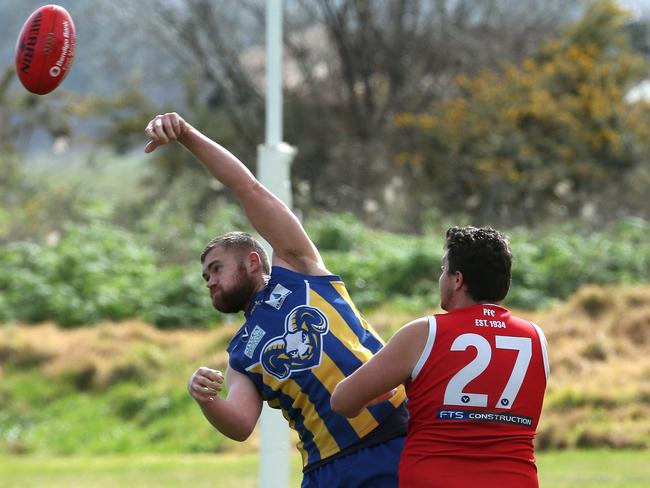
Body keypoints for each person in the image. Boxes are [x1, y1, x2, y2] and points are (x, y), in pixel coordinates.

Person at [144, 112, 408, 488]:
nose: (210, 282)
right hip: (326, 467)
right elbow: (239, 424)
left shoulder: (300, 269)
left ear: (253, 261)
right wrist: (206, 399)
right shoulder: (240, 354)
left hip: (391, 437)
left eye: (216, 269)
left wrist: (187, 135)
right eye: (205, 276)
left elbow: (247, 187)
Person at [331, 226, 549, 487]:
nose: (440, 278)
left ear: (457, 280)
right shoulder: (536, 337)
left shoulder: (424, 333)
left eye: (443, 269)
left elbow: (342, 401)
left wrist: (374, 398)